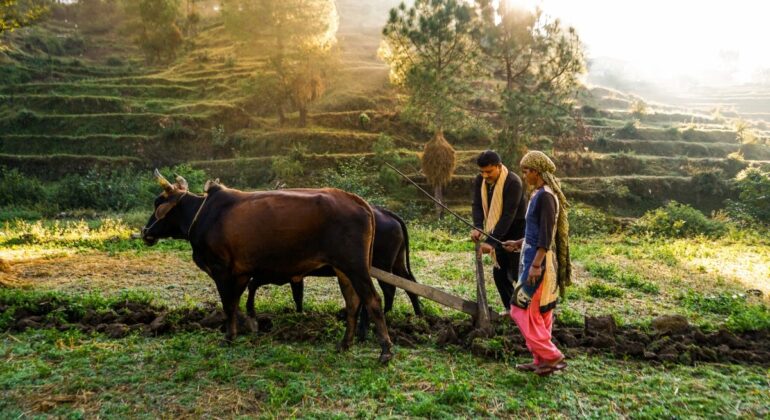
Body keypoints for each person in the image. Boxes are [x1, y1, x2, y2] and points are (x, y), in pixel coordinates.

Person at [502, 150, 572, 376]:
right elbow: (537, 232)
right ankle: (540, 360)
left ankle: (551, 355)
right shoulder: (541, 194)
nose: (524, 175)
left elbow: (545, 235)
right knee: (540, 313)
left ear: (536, 172)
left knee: (519, 308)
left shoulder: (545, 197)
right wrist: (519, 242)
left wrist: (536, 264)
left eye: (526, 171)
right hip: (534, 257)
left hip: (538, 263)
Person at [471, 150, 526, 313]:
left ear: (499, 166)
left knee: (518, 275)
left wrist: (490, 242)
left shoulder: (513, 182)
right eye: (482, 171)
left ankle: (532, 312)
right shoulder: (480, 180)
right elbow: (477, 204)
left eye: (489, 171)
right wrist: (478, 226)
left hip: (516, 233)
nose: (485, 175)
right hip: (495, 232)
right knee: (500, 275)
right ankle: (512, 311)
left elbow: (508, 215)